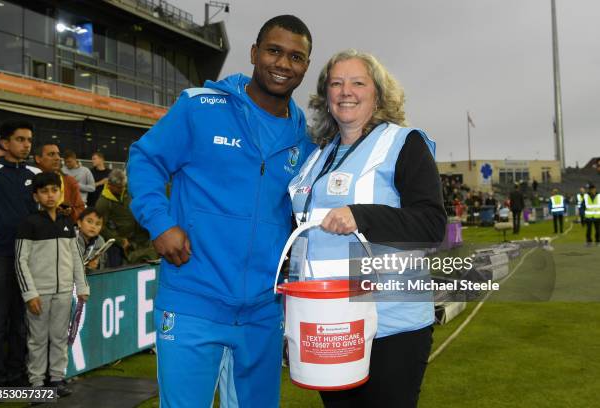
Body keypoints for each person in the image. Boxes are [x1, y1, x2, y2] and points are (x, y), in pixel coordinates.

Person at [127, 15, 314, 407]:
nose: (283, 64)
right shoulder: (200, 107)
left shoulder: (306, 141)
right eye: (274, 51)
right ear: (254, 53)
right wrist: (160, 223)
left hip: (263, 312)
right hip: (193, 299)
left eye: (296, 57)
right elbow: (145, 159)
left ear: (305, 67)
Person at [289, 49, 446, 408]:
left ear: (377, 92)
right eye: (336, 83)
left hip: (391, 325)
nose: (346, 91)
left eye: (358, 82)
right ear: (325, 95)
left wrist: (363, 216)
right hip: (329, 322)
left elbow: (432, 224)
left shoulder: (404, 143)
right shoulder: (316, 157)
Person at [14, 172, 89, 396]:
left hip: (65, 292)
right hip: (39, 294)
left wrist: (82, 287)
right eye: (44, 191)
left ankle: (57, 379)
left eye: (54, 190)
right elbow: (20, 261)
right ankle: (36, 384)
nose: (50, 195)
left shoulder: (67, 221)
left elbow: (76, 257)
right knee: (37, 340)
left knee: (59, 337)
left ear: (60, 192)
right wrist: (29, 294)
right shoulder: (29, 223)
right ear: (35, 196)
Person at [0, 120, 39, 387]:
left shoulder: (36, 174)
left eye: (29, 139)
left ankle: (17, 374)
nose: (26, 144)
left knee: (22, 322)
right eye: (20, 139)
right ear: (5, 143)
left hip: (29, 260)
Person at [95, 169, 157, 266]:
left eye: (124, 186)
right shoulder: (103, 203)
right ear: (110, 185)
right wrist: (119, 240)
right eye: (119, 187)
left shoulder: (128, 190)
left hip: (141, 238)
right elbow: (101, 227)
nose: (122, 189)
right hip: (123, 245)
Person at [34, 143, 85, 221]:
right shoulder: (29, 180)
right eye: (51, 154)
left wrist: (70, 212)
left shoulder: (69, 181)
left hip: (62, 229)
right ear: (38, 159)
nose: (57, 158)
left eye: (58, 154)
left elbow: (80, 209)